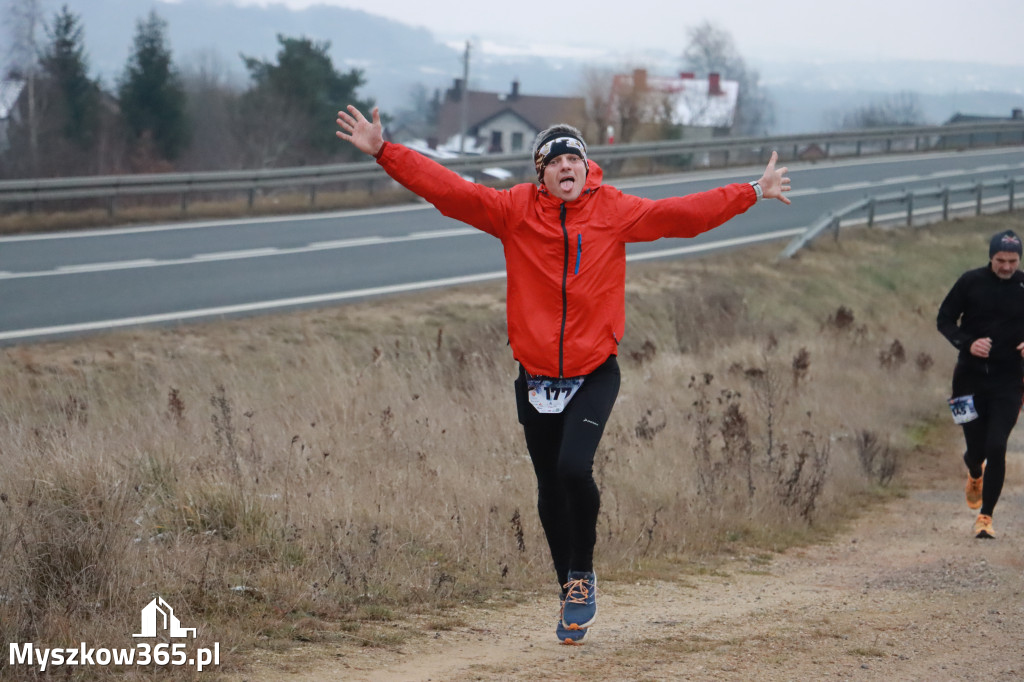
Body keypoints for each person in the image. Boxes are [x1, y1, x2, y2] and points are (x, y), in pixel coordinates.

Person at [336, 105, 792, 644]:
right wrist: (386, 152)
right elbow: (449, 190)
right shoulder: (512, 212)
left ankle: (583, 571)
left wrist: (752, 191)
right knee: (549, 486)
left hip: (594, 371)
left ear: (586, 167)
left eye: (576, 156)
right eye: (557, 160)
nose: (568, 165)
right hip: (534, 378)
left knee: (575, 469)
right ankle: (568, 588)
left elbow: (681, 215)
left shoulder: (613, 210)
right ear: (541, 174)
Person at [937, 230, 1024, 539]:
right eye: (1001, 260)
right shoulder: (970, 282)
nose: (1006, 267)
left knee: (997, 445)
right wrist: (967, 343)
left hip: (1010, 379)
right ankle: (975, 472)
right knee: (976, 449)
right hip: (968, 379)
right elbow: (944, 319)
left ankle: (985, 517)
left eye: (1013, 261)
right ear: (991, 257)